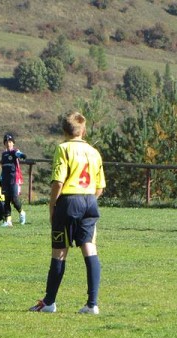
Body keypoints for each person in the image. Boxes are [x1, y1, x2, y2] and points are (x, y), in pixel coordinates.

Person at [30, 111, 106, 315]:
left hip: (68, 202)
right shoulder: (94, 152)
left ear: (64, 131)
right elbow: (100, 187)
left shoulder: (63, 149)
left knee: (60, 252)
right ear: (83, 130)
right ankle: (92, 304)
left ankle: (49, 302)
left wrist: (52, 206)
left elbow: (58, 181)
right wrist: (87, 200)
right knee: (90, 249)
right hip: (90, 200)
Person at [0, 133, 27, 227]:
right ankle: (8, 221)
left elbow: (18, 154)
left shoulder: (14, 152)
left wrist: (22, 155)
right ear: (4, 143)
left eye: (10, 142)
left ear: (13, 143)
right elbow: (3, 167)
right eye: (6, 142)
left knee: (14, 199)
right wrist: (1, 178)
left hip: (14, 179)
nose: (8, 144)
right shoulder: (3, 154)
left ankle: (22, 212)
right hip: (5, 180)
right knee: (6, 200)